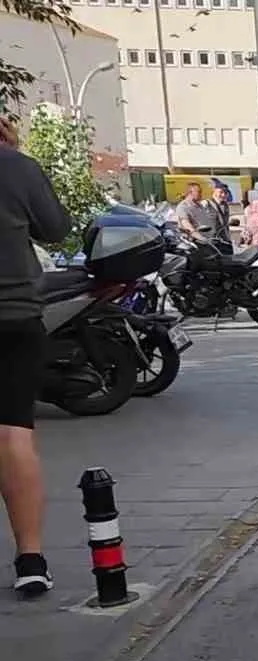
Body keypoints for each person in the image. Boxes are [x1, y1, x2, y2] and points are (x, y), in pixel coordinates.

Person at [0, 116, 71, 597]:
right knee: (12, 432)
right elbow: (56, 229)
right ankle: (30, 558)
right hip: (13, 316)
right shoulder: (16, 167)